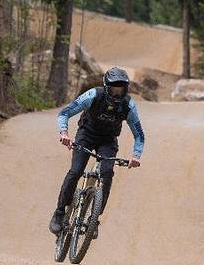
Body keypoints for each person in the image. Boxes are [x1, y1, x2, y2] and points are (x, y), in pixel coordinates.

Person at [49, 67, 145, 235]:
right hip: (86, 134)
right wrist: (64, 133)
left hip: (108, 140)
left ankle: (94, 219)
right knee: (76, 170)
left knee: (107, 173)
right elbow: (64, 113)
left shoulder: (128, 105)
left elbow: (139, 135)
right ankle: (59, 213)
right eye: (114, 89)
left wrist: (136, 156)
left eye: (121, 89)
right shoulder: (93, 95)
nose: (117, 94)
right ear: (107, 87)